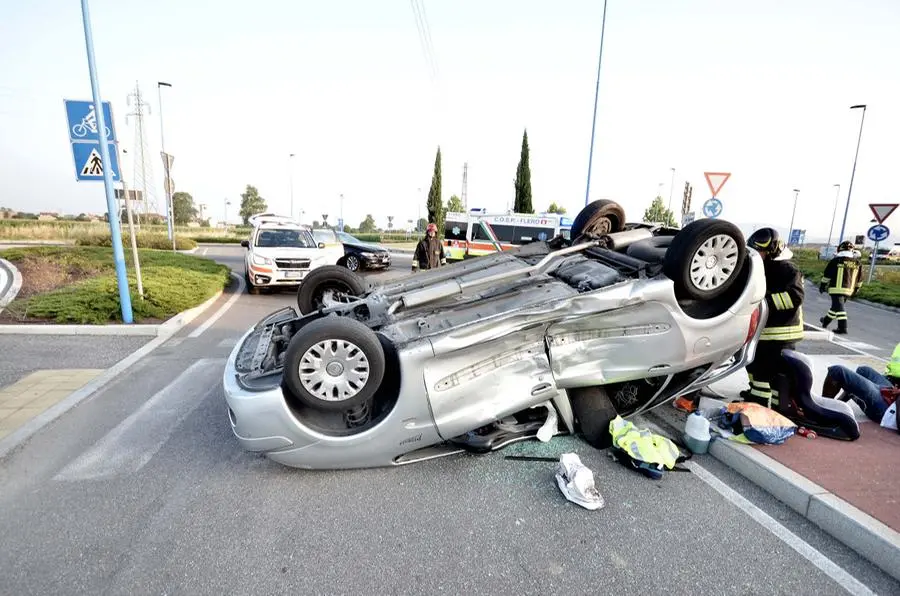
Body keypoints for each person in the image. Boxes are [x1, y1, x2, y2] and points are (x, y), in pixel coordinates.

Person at [741, 227, 805, 409]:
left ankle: (763, 408)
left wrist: (763, 303)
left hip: (780, 334)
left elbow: (795, 296)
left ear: (772, 251)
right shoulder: (764, 267)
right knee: (754, 368)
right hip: (765, 332)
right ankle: (758, 398)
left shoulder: (787, 269)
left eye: (760, 251)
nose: (756, 255)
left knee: (768, 374)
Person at [821, 342, 900, 430]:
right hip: (892, 392)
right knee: (864, 370)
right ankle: (839, 404)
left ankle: (822, 414)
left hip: (890, 410)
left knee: (837, 371)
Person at [819, 240, 863, 335]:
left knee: (840, 308)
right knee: (836, 307)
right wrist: (856, 289)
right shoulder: (857, 263)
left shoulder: (836, 260)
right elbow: (860, 278)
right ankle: (825, 321)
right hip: (849, 290)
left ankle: (842, 327)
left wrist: (822, 285)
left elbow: (827, 275)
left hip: (836, 289)